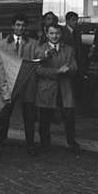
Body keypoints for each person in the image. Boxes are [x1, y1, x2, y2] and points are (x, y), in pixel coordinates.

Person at [0, 13, 38, 154]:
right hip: (9, 84)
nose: (20, 28)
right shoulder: (1, 44)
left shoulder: (33, 43)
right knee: (4, 113)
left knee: (29, 115)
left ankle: (30, 143)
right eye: (18, 25)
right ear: (12, 26)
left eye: (23, 25)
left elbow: (39, 57)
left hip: (27, 84)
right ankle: (0, 138)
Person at [34, 24, 81, 153]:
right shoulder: (40, 49)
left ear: (61, 34)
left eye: (57, 33)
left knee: (69, 116)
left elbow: (74, 66)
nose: (55, 36)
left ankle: (71, 142)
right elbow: (37, 69)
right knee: (45, 118)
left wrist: (69, 68)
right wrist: (57, 71)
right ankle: (45, 144)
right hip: (47, 88)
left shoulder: (69, 49)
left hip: (65, 88)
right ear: (47, 34)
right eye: (52, 33)